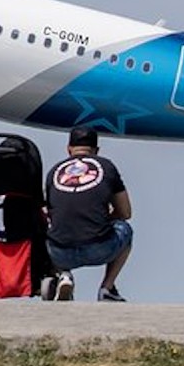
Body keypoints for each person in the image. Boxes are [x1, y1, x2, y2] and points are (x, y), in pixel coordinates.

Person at [43, 127, 132, 302]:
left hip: (60, 253)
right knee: (124, 228)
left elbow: (51, 213)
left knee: (50, 231)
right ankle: (107, 288)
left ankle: (64, 275)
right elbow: (125, 212)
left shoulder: (54, 172)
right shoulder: (106, 166)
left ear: (69, 149)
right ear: (96, 150)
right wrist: (102, 219)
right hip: (99, 248)